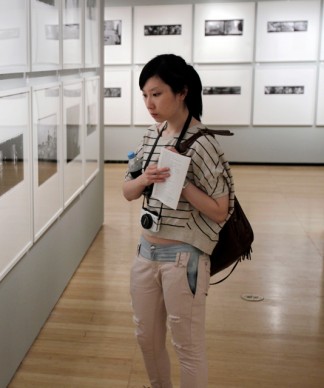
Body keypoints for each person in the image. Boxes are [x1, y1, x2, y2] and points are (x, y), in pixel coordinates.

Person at [122, 54, 234, 388]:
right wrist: (145, 180)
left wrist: (181, 186)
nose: (149, 103)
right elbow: (128, 191)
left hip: (183, 260)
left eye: (156, 94)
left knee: (187, 346)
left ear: (182, 92)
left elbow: (219, 211)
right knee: (146, 337)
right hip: (145, 254)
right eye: (144, 95)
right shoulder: (151, 136)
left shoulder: (204, 143)